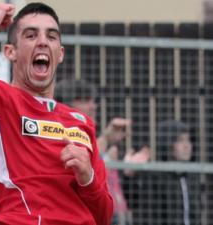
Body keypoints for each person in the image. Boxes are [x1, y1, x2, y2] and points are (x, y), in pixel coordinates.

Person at [0, 2, 113, 225]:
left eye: (51, 36)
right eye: (30, 35)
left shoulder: (81, 122)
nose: (42, 42)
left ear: (60, 54)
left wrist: (88, 178)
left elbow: (103, 216)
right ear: (11, 52)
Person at [54, 78, 150, 225]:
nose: (93, 106)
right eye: (85, 100)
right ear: (66, 104)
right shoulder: (54, 140)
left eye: (93, 101)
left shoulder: (106, 149)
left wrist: (127, 173)